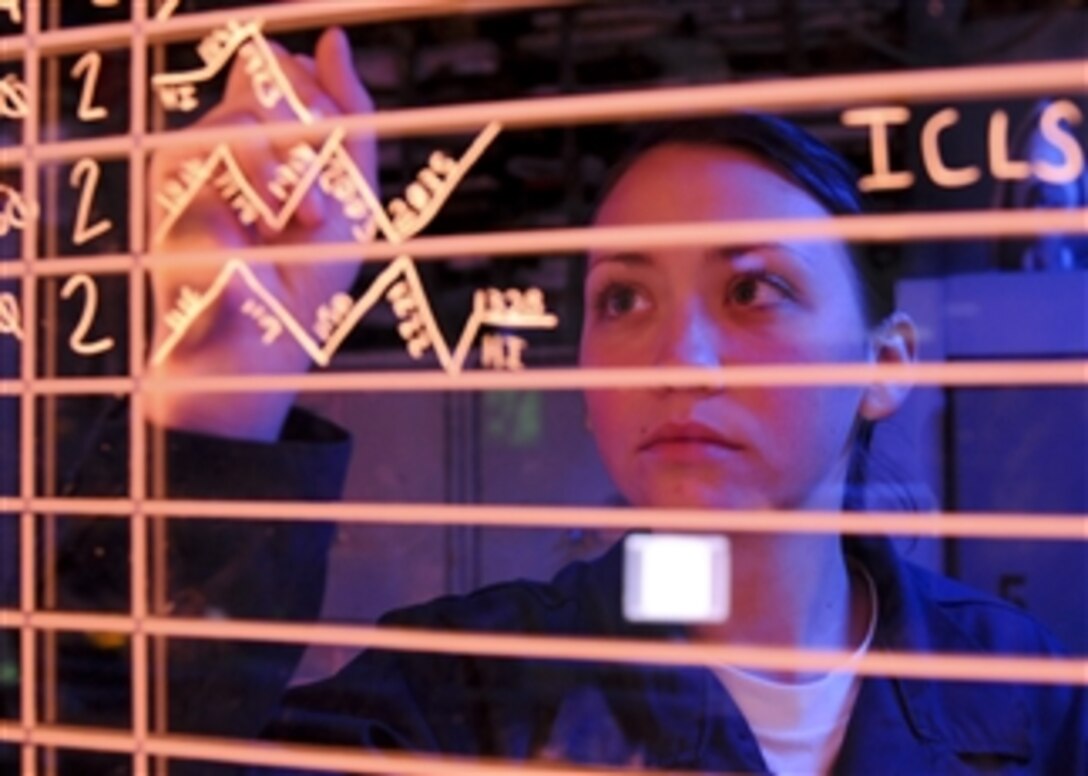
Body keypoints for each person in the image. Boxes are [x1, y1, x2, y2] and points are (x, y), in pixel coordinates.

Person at [62, 26, 1083, 776]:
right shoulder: (464, 694)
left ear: (883, 362)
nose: (676, 357)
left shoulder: (1019, 693)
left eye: (750, 289)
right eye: (622, 298)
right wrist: (216, 402)